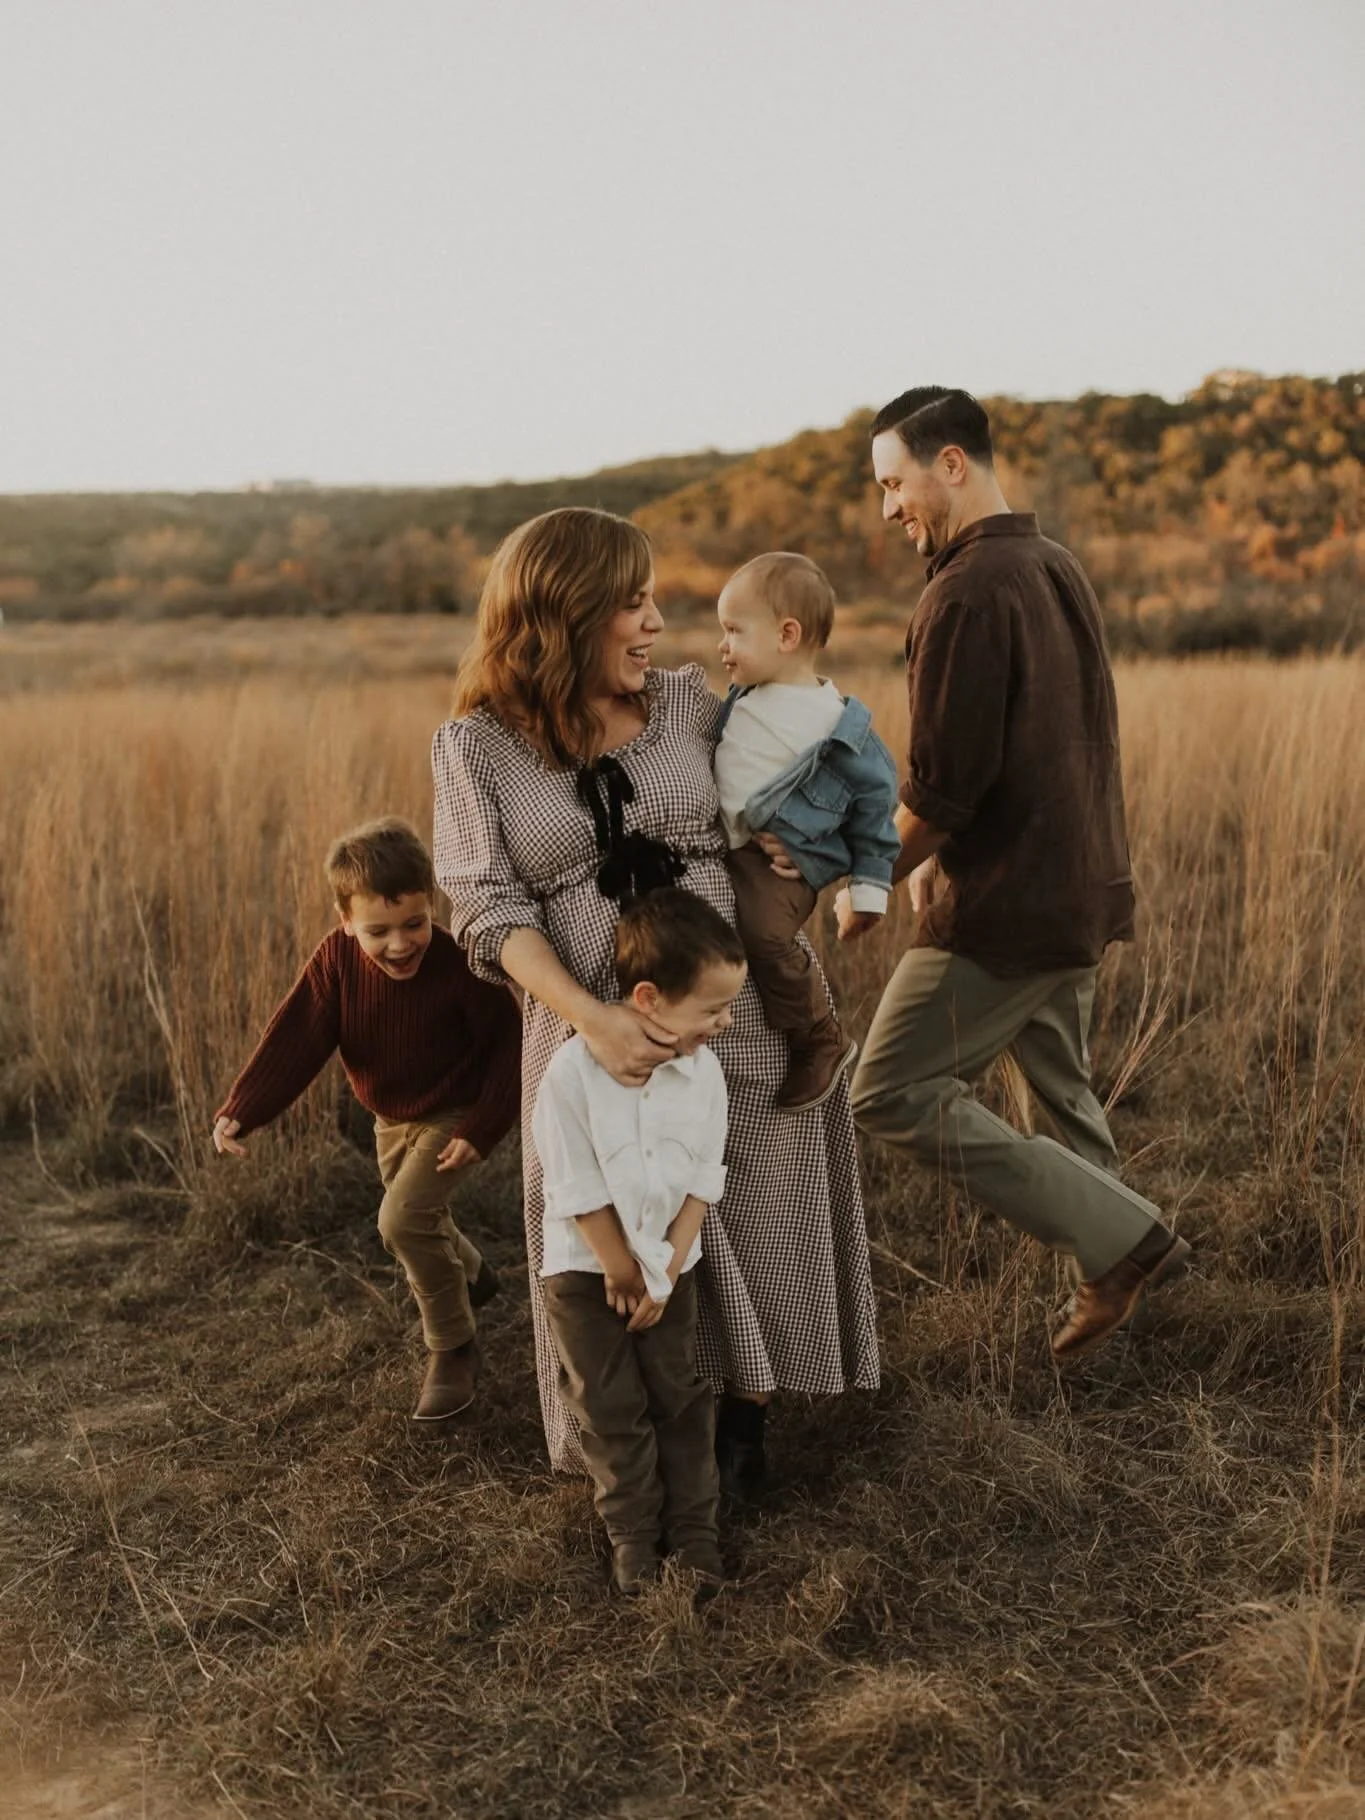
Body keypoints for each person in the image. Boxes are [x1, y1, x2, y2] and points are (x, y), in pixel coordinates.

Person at [432, 506, 878, 1499]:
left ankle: (744, 1426)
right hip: (593, 1033)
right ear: (566, 613)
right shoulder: (477, 748)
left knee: (755, 1204)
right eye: (632, 602)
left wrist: (842, 854)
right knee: (614, 1235)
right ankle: (631, 1447)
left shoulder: (685, 704)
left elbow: (807, 747)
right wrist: (593, 1016)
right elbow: (484, 908)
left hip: (735, 1012)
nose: (655, 622)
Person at [845, 386, 1189, 1360]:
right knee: (1065, 1098)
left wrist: (861, 876)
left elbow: (944, 791)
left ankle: (1130, 1241)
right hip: (1077, 886)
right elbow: (1028, 746)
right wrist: (937, 853)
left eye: (893, 482)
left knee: (890, 1091)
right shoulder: (1054, 563)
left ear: (950, 464)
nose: (887, 508)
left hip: (1008, 909)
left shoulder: (964, 590)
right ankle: (1127, 1328)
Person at [213, 817, 522, 1418]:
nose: (401, 944)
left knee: (403, 1221)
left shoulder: (460, 961)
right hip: (390, 1117)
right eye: (378, 931)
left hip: (453, 1109)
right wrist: (243, 1109)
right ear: (345, 920)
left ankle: (454, 1347)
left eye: (414, 923)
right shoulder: (336, 961)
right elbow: (298, 1034)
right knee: (418, 1219)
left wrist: (480, 1127)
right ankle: (476, 1277)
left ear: (431, 903)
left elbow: (509, 1046)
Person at [534, 888, 745, 1596]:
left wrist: (664, 1271)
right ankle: (631, 1536)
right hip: (584, 1273)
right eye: (712, 1009)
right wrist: (620, 1268)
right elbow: (572, 1181)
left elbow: (702, 1183)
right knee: (610, 1406)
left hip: (667, 1272)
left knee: (679, 1399)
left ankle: (695, 1537)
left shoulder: (704, 1075)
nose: (725, 1022)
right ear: (649, 998)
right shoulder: (571, 1074)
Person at [714, 550, 900, 1112]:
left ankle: (816, 1033)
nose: (722, 647)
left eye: (733, 632)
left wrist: (864, 889)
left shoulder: (836, 726)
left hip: (779, 867)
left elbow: (875, 808)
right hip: (736, 850)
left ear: (786, 635)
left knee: (764, 933)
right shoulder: (747, 695)